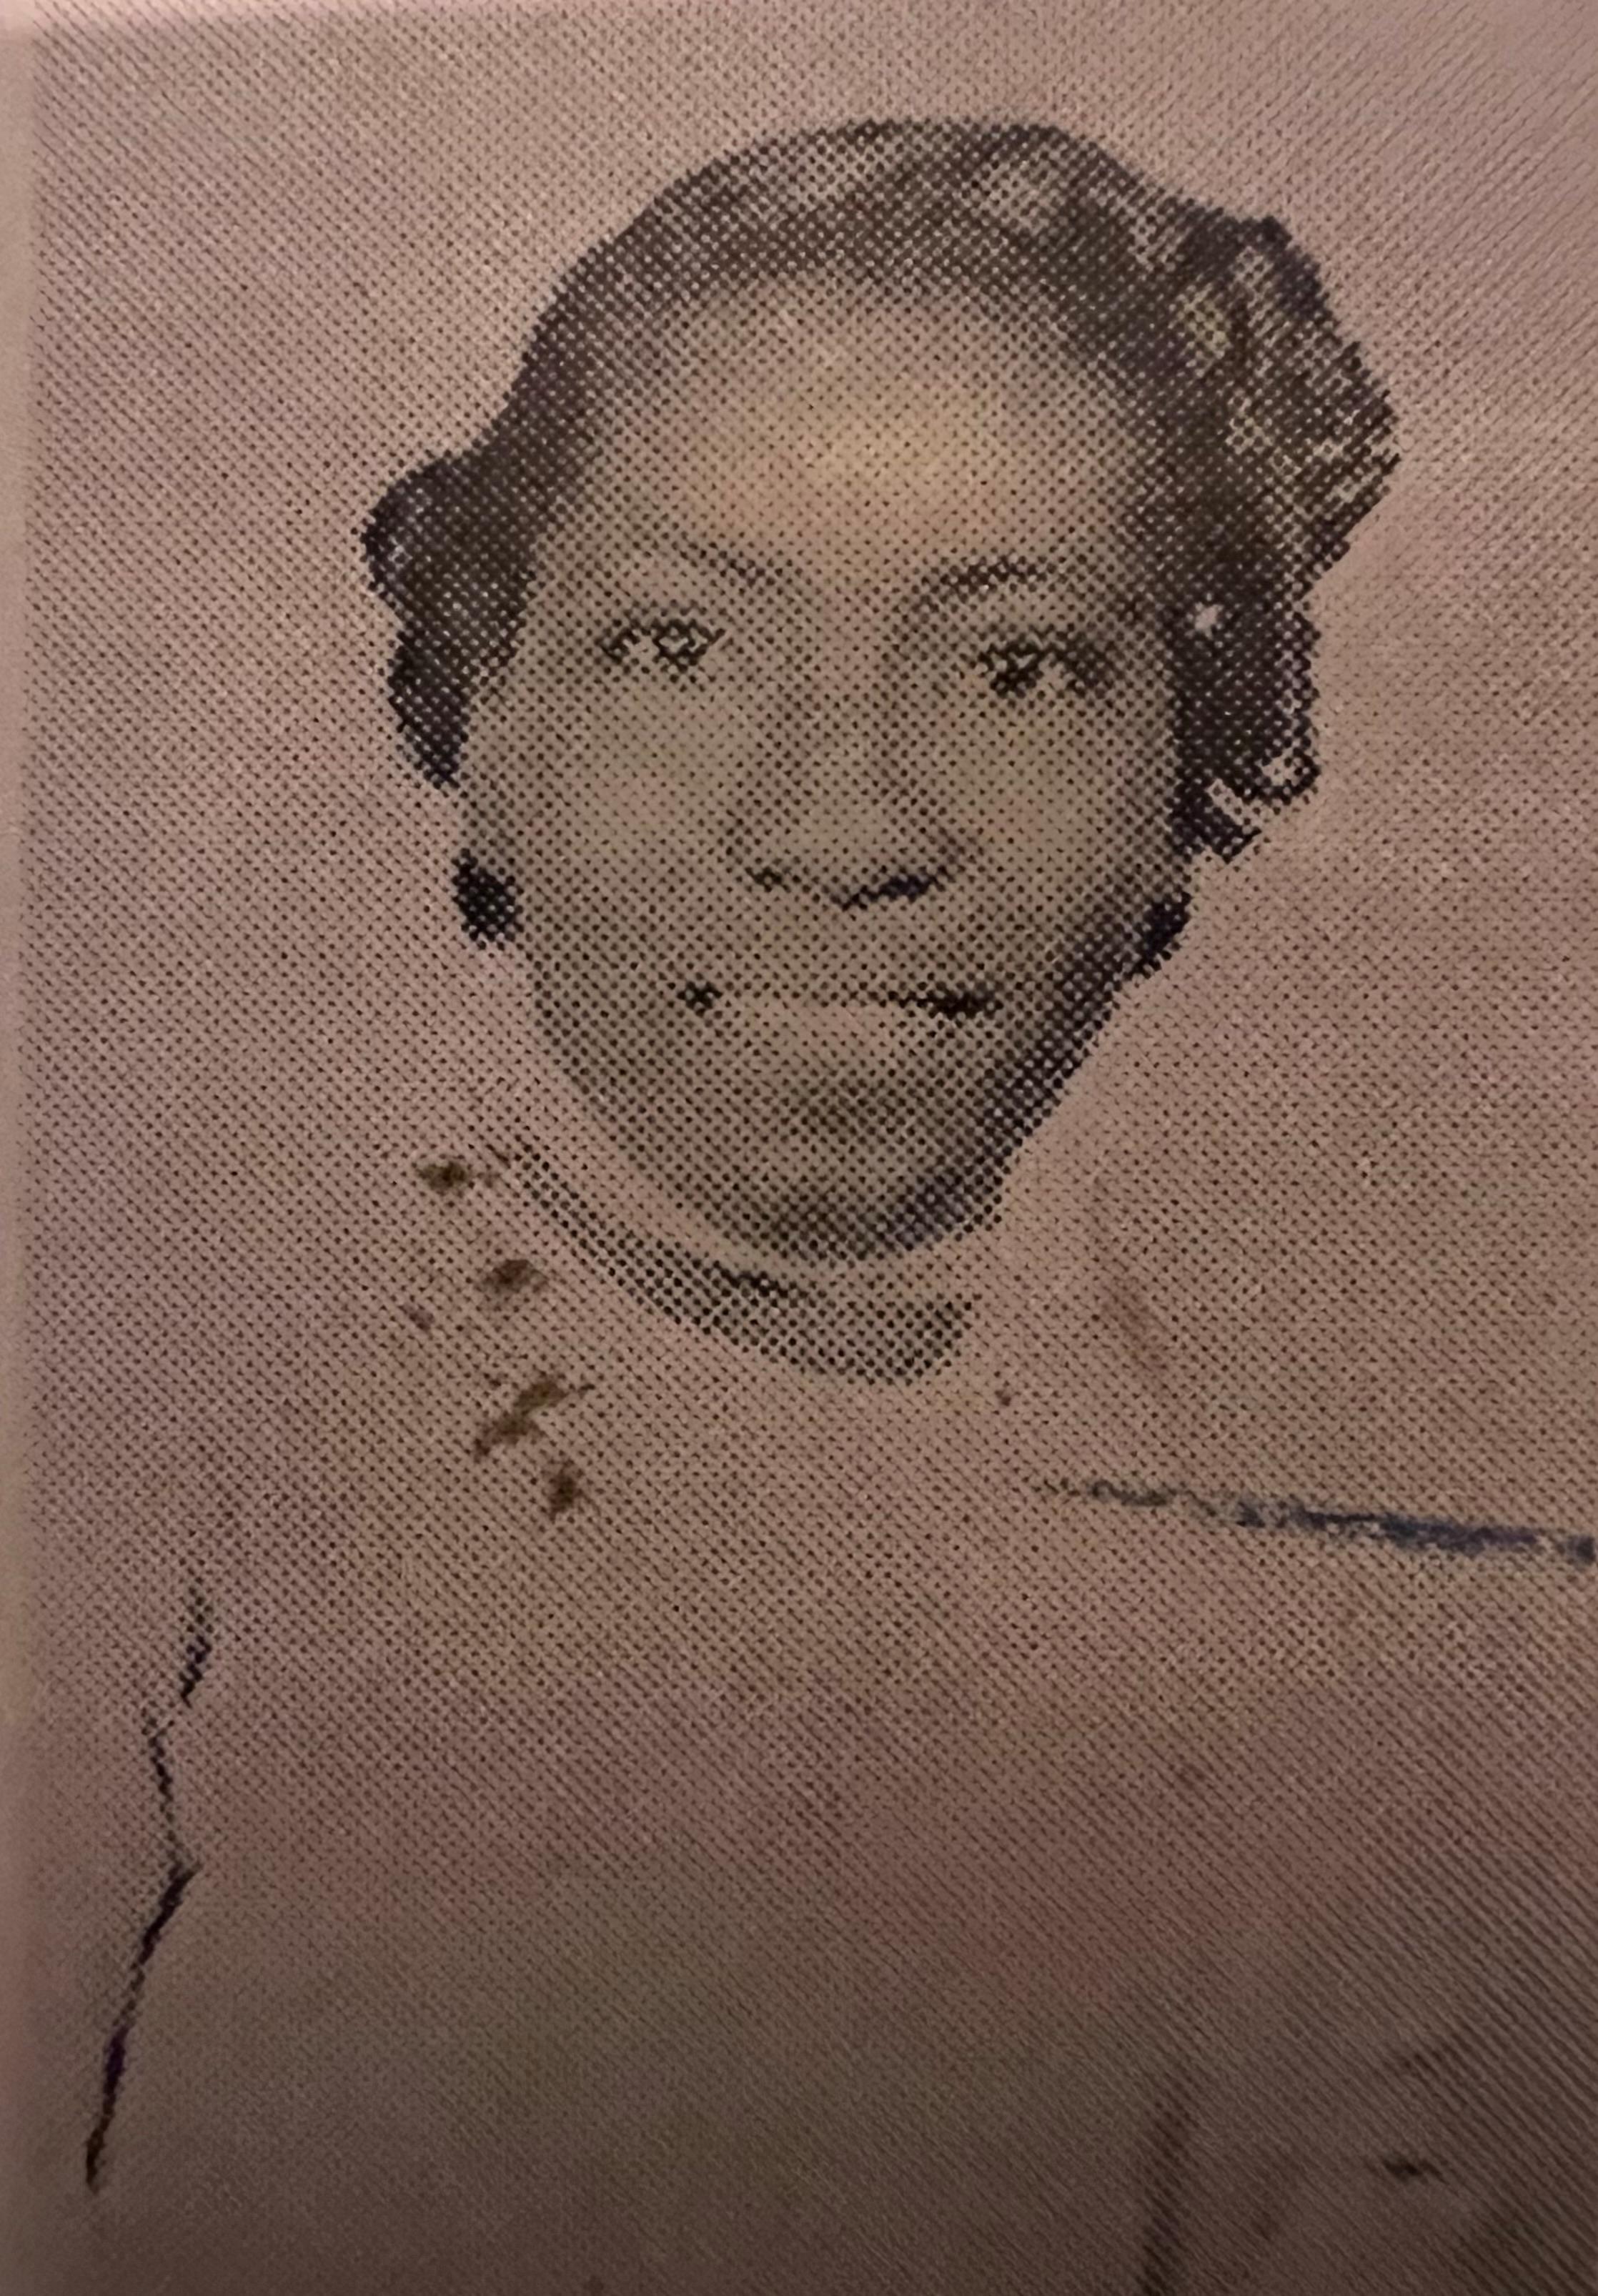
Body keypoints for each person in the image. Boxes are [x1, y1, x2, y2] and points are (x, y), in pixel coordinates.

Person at [34, 120, 1592, 2296]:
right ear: (483, 730)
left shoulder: (1402, 1588)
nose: (842, 828)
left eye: (1017, 666)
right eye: (680, 648)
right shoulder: (136, 1424)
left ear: (1189, 778)